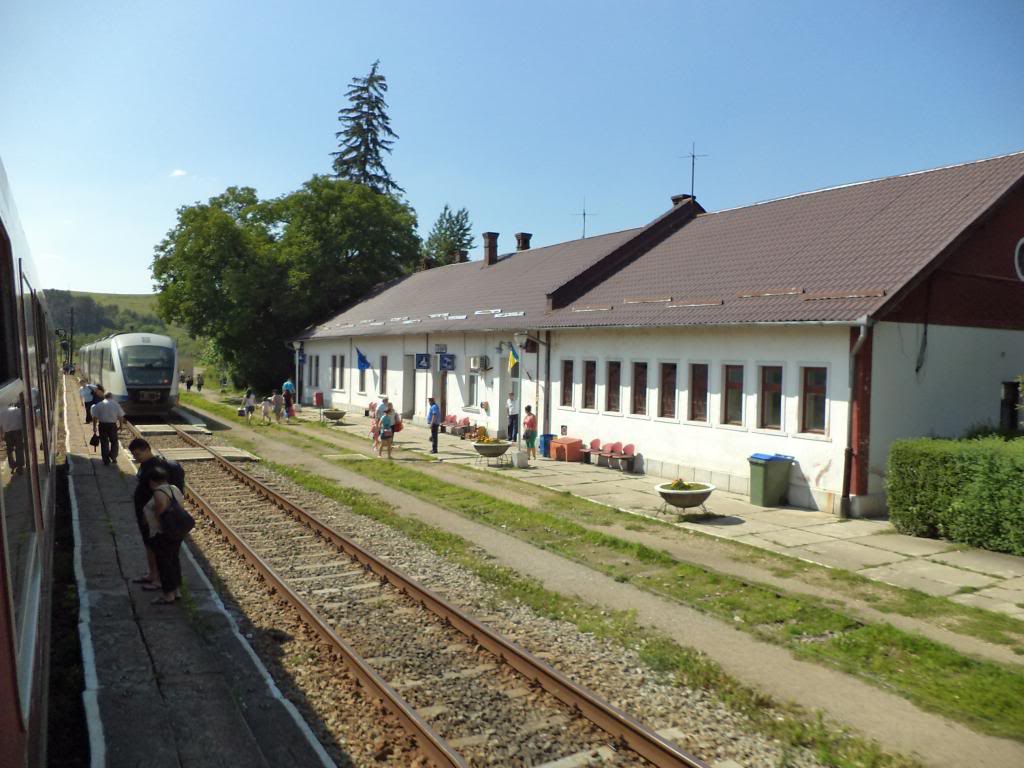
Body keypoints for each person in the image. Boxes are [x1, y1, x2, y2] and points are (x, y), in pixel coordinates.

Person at [143, 466, 185, 605]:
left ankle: (168, 594)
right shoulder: (174, 489)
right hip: (176, 532)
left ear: (152, 481)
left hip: (162, 533)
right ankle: (177, 591)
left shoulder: (159, 492)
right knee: (174, 561)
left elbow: (160, 509)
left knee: (164, 563)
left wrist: (158, 521)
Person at [128, 438, 167, 589]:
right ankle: (152, 574)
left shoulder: (157, 467)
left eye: (138, 454)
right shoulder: (145, 465)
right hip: (143, 512)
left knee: (156, 545)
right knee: (148, 544)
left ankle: (158, 579)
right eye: (134, 455)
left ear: (147, 449)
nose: (136, 458)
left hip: (151, 513)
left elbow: (159, 492)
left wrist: (154, 515)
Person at [91, 392, 125, 465]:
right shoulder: (116, 404)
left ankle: (106, 460)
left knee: (104, 442)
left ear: (104, 397)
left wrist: (94, 427)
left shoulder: (99, 405)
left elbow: (94, 417)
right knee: (114, 441)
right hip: (112, 425)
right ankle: (113, 457)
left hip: (102, 425)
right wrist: (121, 426)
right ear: (111, 396)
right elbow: (121, 416)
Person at [1, 401, 25, 474]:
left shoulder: (1, 413)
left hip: (7, 433)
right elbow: (22, 421)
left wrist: (1, 435)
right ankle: (20, 466)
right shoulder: (17, 410)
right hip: (18, 432)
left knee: (9, 450)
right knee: (19, 448)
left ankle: (12, 465)